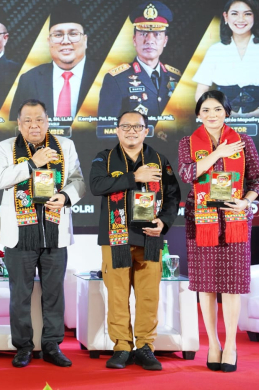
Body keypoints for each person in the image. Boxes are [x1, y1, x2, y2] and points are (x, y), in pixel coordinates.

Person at [0, 99, 85, 368]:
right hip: (19, 233)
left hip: (54, 230)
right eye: (28, 120)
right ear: (19, 124)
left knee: (54, 291)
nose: (34, 125)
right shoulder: (5, 147)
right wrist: (32, 163)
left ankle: (52, 345)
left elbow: (78, 180)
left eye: (40, 120)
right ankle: (23, 347)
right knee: (20, 292)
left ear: (48, 120)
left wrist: (66, 196)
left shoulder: (65, 146)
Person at [178, 90, 259, 373]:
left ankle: (230, 346)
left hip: (235, 220)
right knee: (206, 285)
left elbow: (257, 180)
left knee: (231, 286)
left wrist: (246, 201)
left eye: (217, 109)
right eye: (205, 110)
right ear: (198, 115)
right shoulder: (187, 143)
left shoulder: (244, 142)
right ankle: (213, 345)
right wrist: (218, 152)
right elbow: (189, 174)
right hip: (201, 220)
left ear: (227, 112)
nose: (211, 115)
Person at [89, 111, 181, 370]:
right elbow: (97, 185)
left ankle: (145, 346)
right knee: (118, 295)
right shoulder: (104, 158)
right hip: (115, 236)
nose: (131, 131)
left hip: (149, 237)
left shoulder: (159, 161)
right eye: (125, 126)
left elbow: (173, 195)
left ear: (146, 131)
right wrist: (134, 178)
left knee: (148, 296)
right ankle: (121, 346)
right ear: (117, 130)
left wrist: (164, 222)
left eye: (137, 127)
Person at [10, 1, 97, 121]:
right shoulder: (29, 80)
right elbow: (14, 126)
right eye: (58, 35)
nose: (66, 41)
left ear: (85, 40)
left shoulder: (104, 77)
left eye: (73, 34)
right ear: (49, 41)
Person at [193, 0, 259, 118]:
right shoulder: (216, 50)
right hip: (223, 117)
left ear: (255, 17)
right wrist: (217, 112)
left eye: (247, 14)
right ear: (226, 17)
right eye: (234, 13)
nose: (241, 19)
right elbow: (200, 91)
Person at [98, 1, 181, 120]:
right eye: (143, 34)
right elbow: (106, 130)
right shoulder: (116, 79)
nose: (149, 40)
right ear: (134, 40)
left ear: (165, 41)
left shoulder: (176, 77)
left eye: (157, 34)